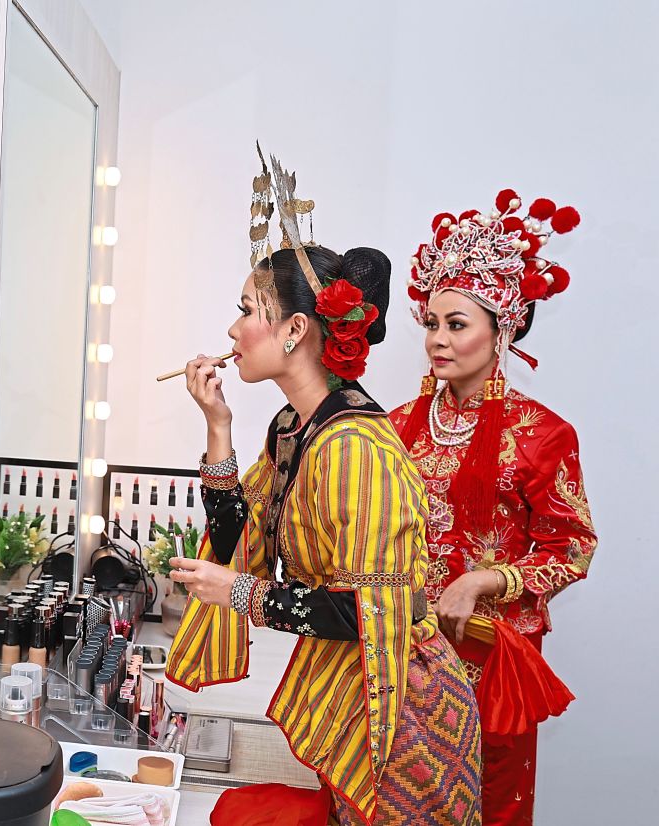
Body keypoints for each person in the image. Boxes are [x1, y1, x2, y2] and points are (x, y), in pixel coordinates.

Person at [165, 153, 481, 825]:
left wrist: (239, 594)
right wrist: (217, 428)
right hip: (368, 688)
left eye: (247, 309)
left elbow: (368, 610)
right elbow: (237, 536)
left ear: (296, 331)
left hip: (404, 712)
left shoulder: (354, 447)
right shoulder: (294, 427)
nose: (232, 329)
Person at [390, 189, 595, 825]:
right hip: (405, 650)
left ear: (501, 330)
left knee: (485, 806)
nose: (437, 340)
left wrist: (485, 580)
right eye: (431, 323)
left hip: (493, 657)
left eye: (457, 324)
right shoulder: (396, 427)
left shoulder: (541, 434)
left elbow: (574, 548)